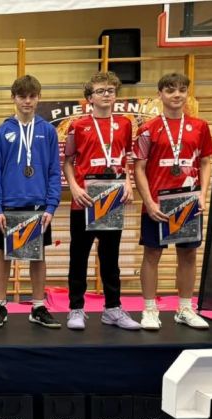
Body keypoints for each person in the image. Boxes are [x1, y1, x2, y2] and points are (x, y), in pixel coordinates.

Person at [134, 72, 212, 330]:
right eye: (170, 90)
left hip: (188, 201)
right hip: (157, 204)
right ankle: (149, 309)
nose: (176, 95)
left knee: (188, 254)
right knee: (152, 254)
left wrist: (202, 194)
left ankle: (185, 308)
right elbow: (139, 168)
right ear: (160, 94)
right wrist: (148, 201)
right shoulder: (147, 129)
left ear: (187, 93)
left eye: (181, 90)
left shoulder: (200, 127)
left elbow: (205, 162)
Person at [63, 71, 141, 331]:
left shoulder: (125, 124)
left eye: (110, 90)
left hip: (112, 198)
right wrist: (74, 188)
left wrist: (128, 183)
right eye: (100, 91)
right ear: (89, 98)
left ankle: (113, 308)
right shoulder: (78, 126)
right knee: (79, 256)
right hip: (84, 199)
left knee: (110, 257)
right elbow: (68, 162)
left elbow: (124, 159)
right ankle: (76, 308)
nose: (106, 95)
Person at [0, 75, 62, 329]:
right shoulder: (2, 132)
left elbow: (54, 170)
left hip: (39, 205)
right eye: (22, 96)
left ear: (38, 98)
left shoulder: (48, 131)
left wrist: (51, 206)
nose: (27, 101)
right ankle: (0, 304)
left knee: (38, 256)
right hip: (9, 204)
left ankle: (38, 306)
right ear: (14, 98)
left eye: (32, 96)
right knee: (3, 255)